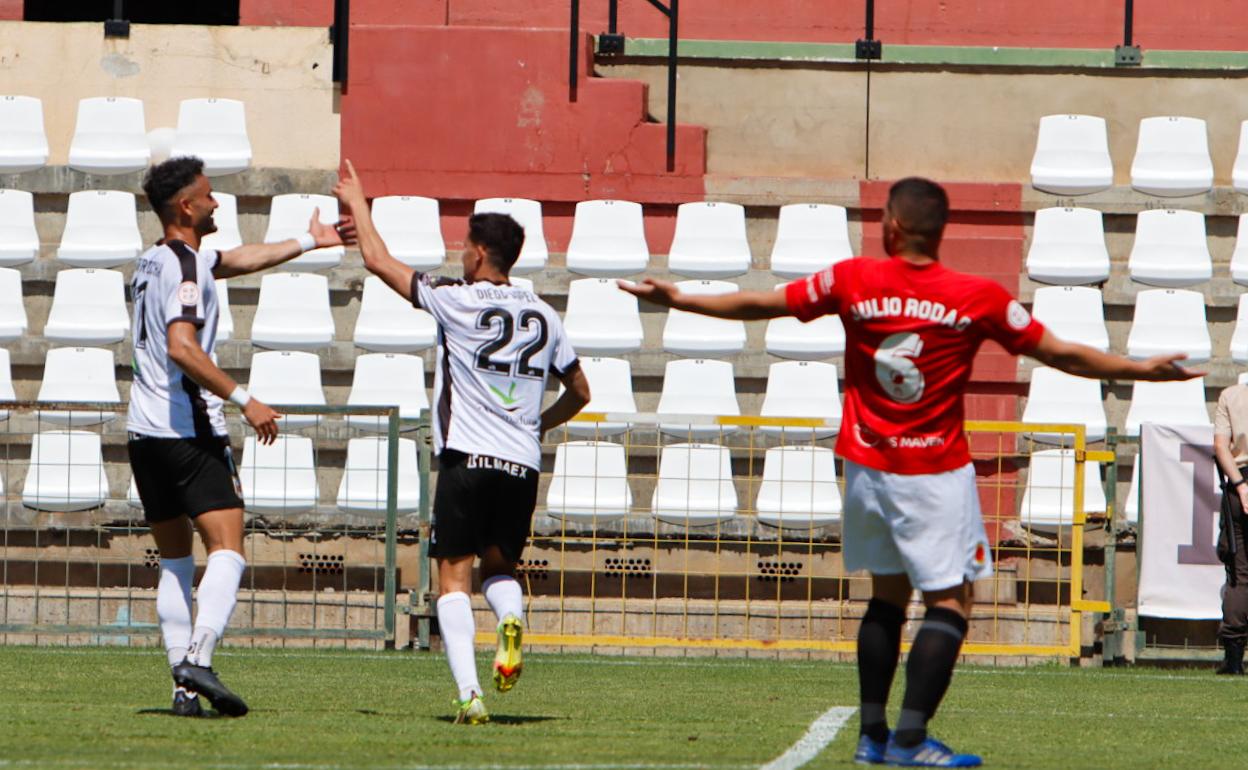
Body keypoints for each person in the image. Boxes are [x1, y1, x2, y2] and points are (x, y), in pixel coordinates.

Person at [620, 178, 1199, 767]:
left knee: (887, 598)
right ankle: (911, 738)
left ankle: (873, 733)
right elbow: (1057, 351)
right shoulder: (977, 296)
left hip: (867, 466)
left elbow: (763, 305)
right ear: (940, 231)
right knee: (951, 603)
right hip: (934, 471)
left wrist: (680, 300)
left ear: (891, 226)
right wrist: (1139, 369)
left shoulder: (852, 280)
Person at [333, 160, 591, 725]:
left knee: (452, 578)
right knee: (499, 567)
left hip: (465, 459)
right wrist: (537, 426)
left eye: (465, 246)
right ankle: (508, 621)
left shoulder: (457, 299)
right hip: (520, 465)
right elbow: (580, 389)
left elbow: (378, 262)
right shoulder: (546, 317)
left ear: (478, 254)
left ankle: (471, 694)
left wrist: (358, 202)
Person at [130, 156, 355, 717]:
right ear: (185, 206)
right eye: (208, 196)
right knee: (228, 548)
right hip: (187, 429)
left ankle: (183, 690)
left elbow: (235, 259)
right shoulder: (184, 269)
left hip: (143, 432)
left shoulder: (156, 260)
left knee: (177, 562)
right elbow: (182, 346)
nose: (217, 203)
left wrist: (309, 240)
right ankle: (199, 658)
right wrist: (244, 399)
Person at [1213, 383, 1248, 675]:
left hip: (1240, 487)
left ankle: (1234, 659)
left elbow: (1221, 446)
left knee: (1239, 574)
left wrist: (1239, 484)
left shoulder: (1231, 396)